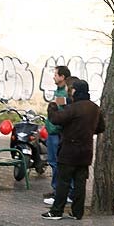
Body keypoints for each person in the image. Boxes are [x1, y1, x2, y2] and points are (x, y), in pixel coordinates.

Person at [42, 78, 104, 220]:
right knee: (80, 183)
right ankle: (77, 212)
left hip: (69, 151)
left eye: (72, 90)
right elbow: (101, 127)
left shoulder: (74, 108)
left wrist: (52, 107)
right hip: (85, 152)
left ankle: (57, 211)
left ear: (76, 91)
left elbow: (56, 119)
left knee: (63, 182)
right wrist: (87, 131)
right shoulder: (95, 108)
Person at [43, 66, 72, 201]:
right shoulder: (59, 91)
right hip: (53, 131)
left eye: (56, 74)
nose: (54, 77)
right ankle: (57, 189)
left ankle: (59, 191)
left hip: (57, 132)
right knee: (54, 162)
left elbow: (63, 106)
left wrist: (54, 103)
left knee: (56, 163)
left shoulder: (64, 93)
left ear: (62, 77)